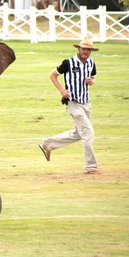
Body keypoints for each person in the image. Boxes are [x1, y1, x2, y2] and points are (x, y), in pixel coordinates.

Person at [39, 37, 100, 174]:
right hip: (73, 103)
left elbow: (93, 77)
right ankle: (91, 167)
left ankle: (48, 144)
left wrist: (91, 81)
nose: (85, 51)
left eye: (88, 49)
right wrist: (62, 90)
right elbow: (53, 75)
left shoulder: (91, 62)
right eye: (83, 48)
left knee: (78, 133)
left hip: (86, 103)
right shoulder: (68, 63)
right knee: (88, 131)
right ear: (78, 48)